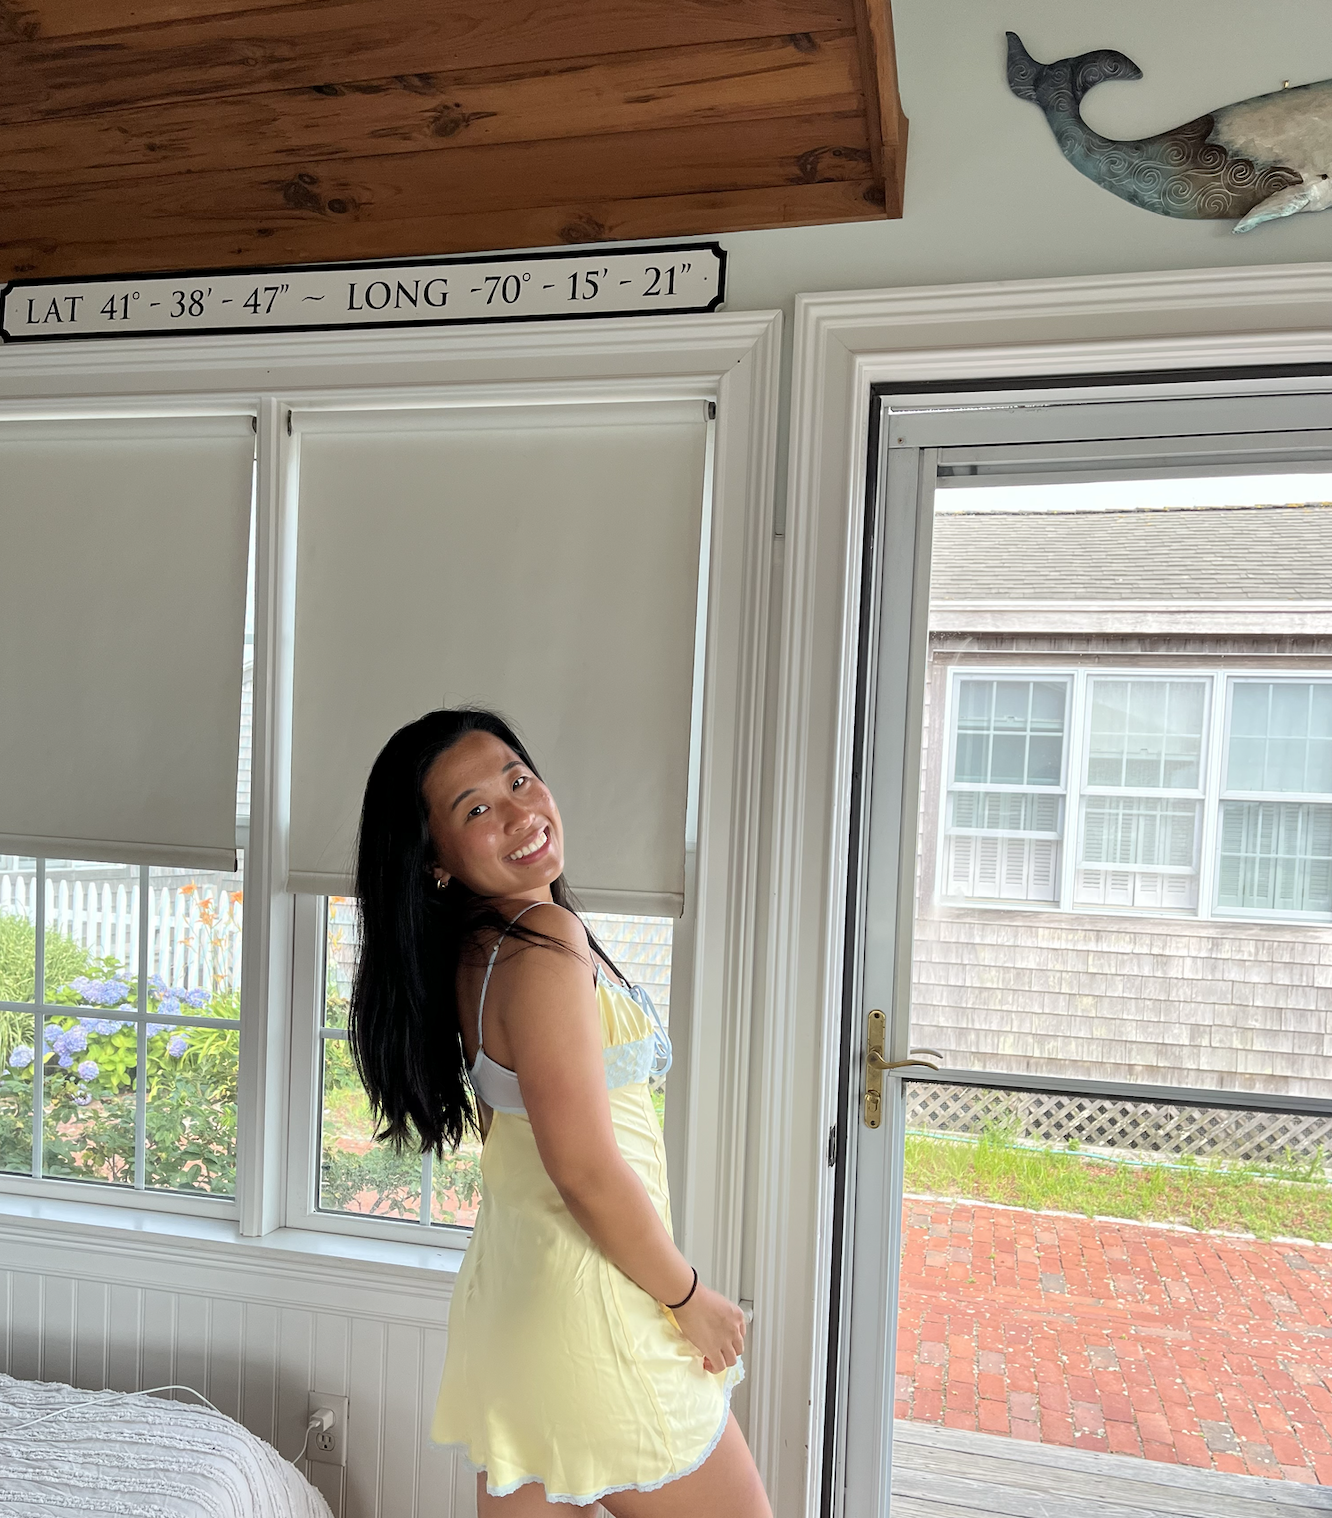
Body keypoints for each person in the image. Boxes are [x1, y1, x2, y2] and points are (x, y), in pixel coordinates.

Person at [348, 708, 772, 1516]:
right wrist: (690, 1300)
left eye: (517, 779)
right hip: (596, 1313)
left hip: (521, 1311)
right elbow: (582, 1169)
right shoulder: (542, 940)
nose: (519, 812)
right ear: (433, 857)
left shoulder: (478, 951)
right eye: (475, 809)